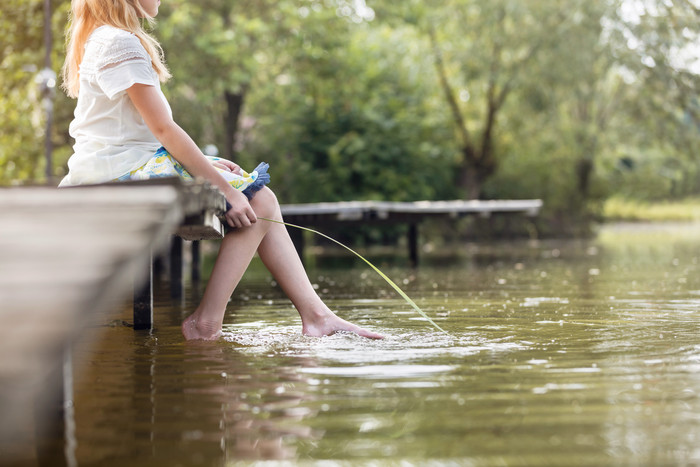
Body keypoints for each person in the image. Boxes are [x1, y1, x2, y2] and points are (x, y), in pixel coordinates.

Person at [60, 0, 383, 340]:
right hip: (118, 179)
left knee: (259, 197)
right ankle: (211, 323)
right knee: (257, 199)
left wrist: (203, 163)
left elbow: (129, 132)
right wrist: (227, 191)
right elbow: (164, 129)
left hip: (115, 169)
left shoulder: (104, 37)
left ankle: (313, 316)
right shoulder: (119, 42)